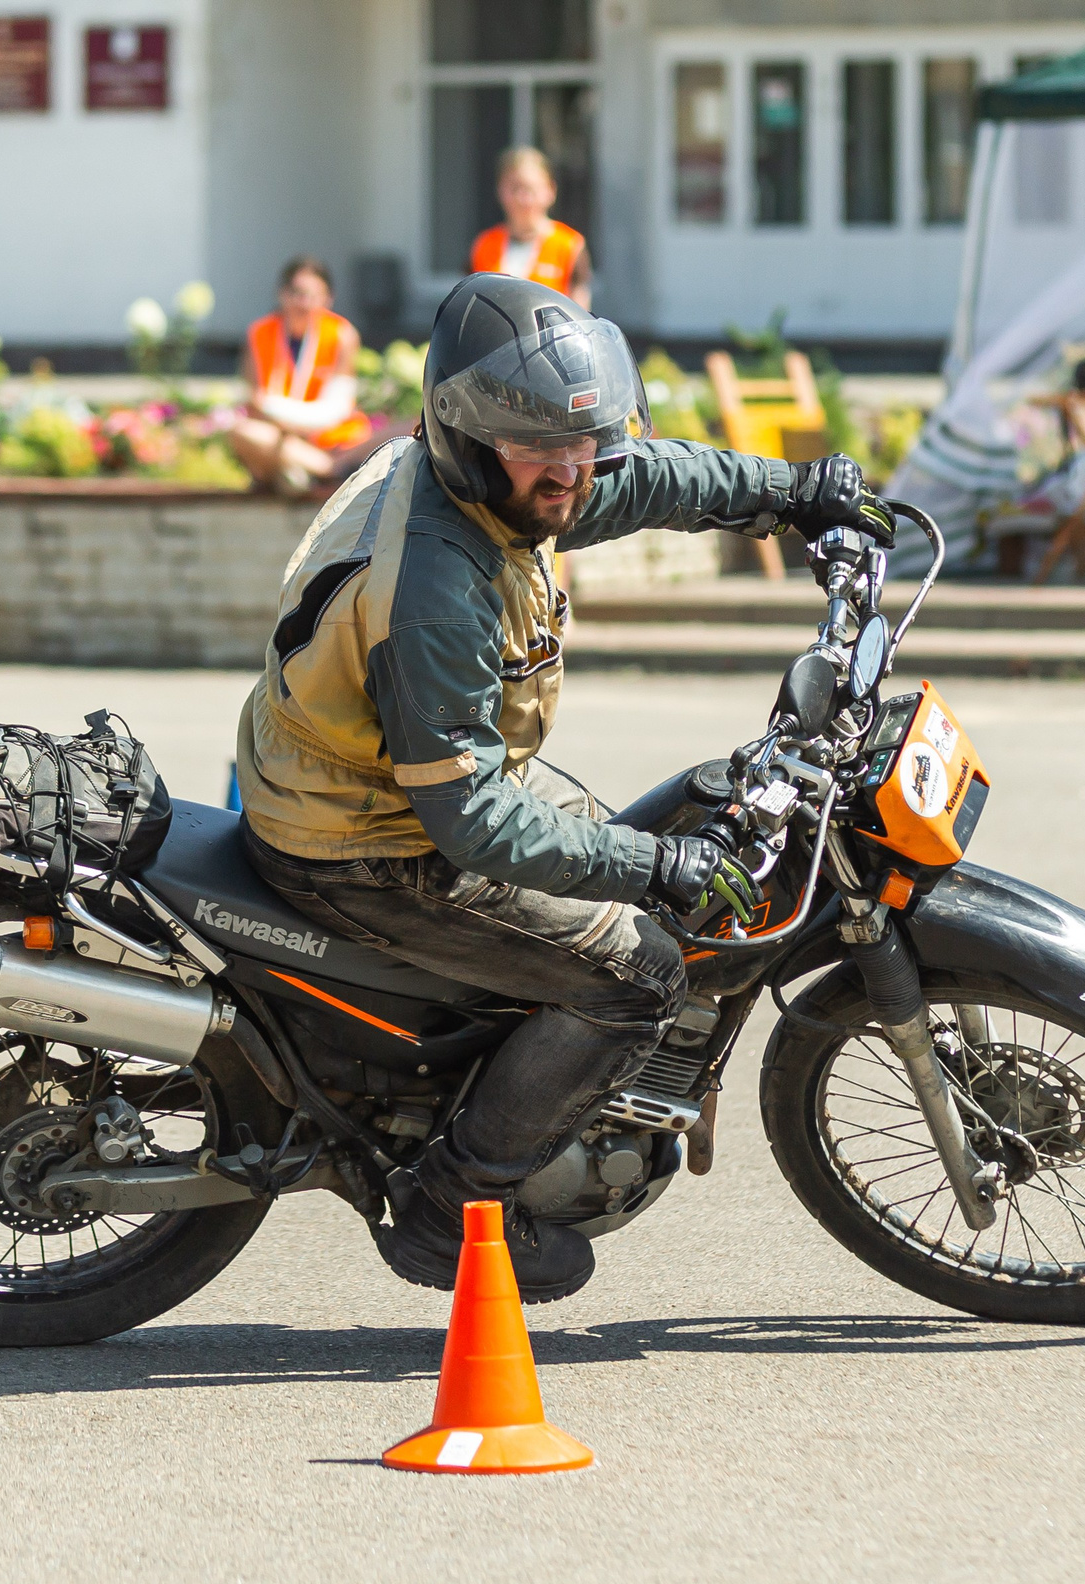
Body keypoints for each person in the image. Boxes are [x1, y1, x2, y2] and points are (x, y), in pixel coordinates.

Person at [233, 274, 891, 1301]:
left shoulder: (505, 479)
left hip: (391, 787)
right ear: (469, 435)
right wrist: (659, 867)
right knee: (638, 975)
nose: (573, 472)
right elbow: (473, 820)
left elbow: (647, 477)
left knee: (671, 831)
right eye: (543, 448)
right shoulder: (436, 583)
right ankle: (450, 1207)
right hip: (369, 841)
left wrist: (792, 492)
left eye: (583, 440)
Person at [229, 256, 374, 494]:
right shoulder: (259, 333)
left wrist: (289, 418)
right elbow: (255, 398)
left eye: (314, 296)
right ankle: (319, 471)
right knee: (243, 433)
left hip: (331, 440)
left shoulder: (342, 334)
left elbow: (338, 407)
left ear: (328, 299)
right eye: (297, 293)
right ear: (282, 294)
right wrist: (286, 422)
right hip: (280, 437)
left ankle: (304, 471)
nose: (304, 303)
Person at [469, 146, 591, 308]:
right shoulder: (484, 245)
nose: (523, 199)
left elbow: (580, 314)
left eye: (531, 190)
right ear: (500, 190)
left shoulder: (570, 245)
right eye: (515, 189)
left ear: (550, 191)